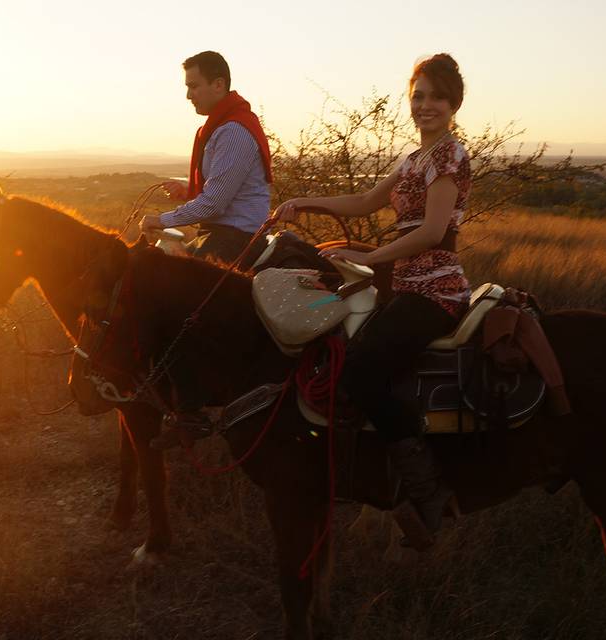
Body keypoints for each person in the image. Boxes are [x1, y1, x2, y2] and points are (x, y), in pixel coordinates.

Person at [275, 53, 472, 539]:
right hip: (407, 288)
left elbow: (430, 233)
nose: (425, 105)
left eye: (436, 97)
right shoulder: (413, 159)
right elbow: (365, 201)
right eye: (418, 96)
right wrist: (306, 201)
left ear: (454, 103)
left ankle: (428, 491)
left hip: (438, 290)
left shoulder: (448, 157)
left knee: (360, 370)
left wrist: (372, 259)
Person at [139, 51, 272, 265]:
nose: (189, 96)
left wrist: (161, 221)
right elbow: (224, 190)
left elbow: (214, 203)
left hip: (235, 241)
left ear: (218, 84)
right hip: (224, 236)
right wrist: (189, 190)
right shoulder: (223, 127)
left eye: (194, 86)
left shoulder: (234, 132)